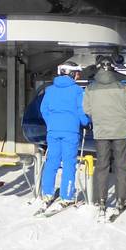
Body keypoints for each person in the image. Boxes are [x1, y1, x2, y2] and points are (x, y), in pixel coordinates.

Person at [82, 56, 126, 217]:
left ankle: (100, 199)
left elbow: (86, 109)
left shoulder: (90, 88)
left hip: (101, 132)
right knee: (121, 165)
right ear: (112, 68)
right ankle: (122, 199)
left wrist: (98, 117)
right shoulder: (122, 87)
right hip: (120, 130)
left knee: (101, 165)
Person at [39, 61, 89, 206]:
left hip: (53, 130)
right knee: (69, 163)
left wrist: (51, 122)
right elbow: (81, 111)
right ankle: (67, 195)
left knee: (52, 161)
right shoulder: (78, 91)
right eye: (77, 73)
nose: (78, 76)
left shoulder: (50, 90)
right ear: (71, 73)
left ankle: (47, 193)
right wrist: (86, 122)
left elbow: (44, 109)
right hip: (70, 131)